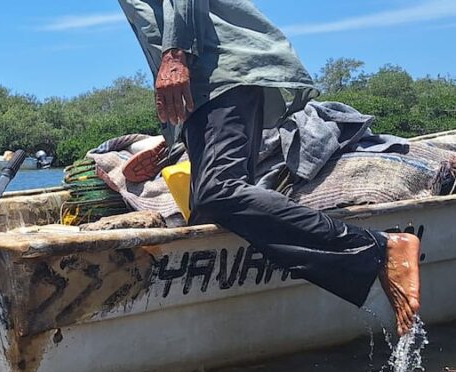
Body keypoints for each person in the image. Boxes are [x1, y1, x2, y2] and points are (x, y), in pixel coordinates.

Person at [118, 0, 421, 335]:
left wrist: (175, 56)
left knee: (218, 191)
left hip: (218, 75)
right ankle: (227, 333)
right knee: (209, 213)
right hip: (200, 93)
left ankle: (379, 248)